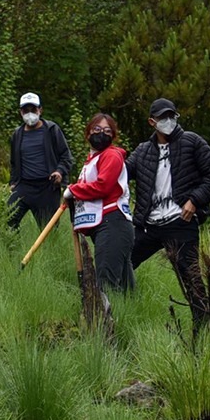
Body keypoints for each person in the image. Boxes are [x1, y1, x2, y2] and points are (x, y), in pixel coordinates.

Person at [127, 98, 210, 339]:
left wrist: (194, 200)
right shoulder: (142, 151)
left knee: (192, 281)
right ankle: (117, 310)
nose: (167, 121)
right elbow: (120, 175)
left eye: (171, 116)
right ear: (152, 122)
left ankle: (200, 337)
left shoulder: (192, 142)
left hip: (180, 222)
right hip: (148, 224)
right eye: (162, 118)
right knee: (122, 262)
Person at [64, 113, 134, 292]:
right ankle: (126, 315)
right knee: (123, 287)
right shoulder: (91, 161)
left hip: (113, 223)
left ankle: (104, 319)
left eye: (107, 131)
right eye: (97, 129)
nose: (101, 133)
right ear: (88, 133)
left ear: (113, 136)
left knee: (106, 284)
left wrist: (74, 190)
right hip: (103, 224)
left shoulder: (111, 155)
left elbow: (103, 186)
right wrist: (70, 198)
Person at [7, 92, 75, 230]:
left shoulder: (51, 130)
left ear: (40, 110)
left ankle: (49, 252)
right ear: (21, 112)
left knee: (49, 231)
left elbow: (66, 157)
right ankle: (10, 249)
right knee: (7, 220)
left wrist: (59, 172)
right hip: (23, 186)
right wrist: (13, 183)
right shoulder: (17, 134)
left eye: (33, 109)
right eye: (26, 110)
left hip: (47, 187)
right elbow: (14, 162)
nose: (30, 113)